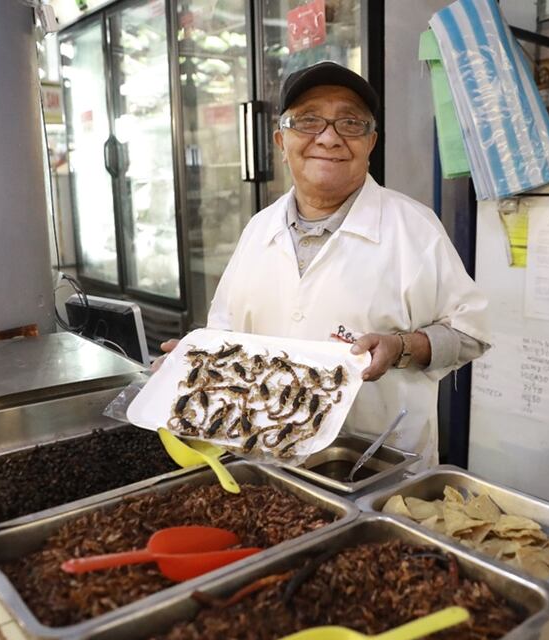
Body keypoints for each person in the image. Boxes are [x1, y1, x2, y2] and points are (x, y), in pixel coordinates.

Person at [162, 61, 490, 466]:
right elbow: (225, 334)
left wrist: (402, 346)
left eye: (350, 123)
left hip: (373, 468)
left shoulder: (414, 228)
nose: (330, 138)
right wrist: (195, 363)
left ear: (371, 143)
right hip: (264, 465)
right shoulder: (258, 230)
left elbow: (470, 332)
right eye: (309, 121)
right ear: (281, 142)